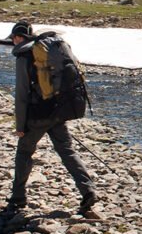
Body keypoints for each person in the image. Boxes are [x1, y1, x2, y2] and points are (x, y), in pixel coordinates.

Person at [6, 21, 99, 219]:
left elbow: (22, 94)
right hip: (57, 110)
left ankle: (17, 198)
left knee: (24, 152)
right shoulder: (49, 49)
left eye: (13, 38)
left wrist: (20, 125)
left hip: (38, 115)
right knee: (67, 151)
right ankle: (87, 189)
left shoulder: (23, 55)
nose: (13, 42)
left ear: (18, 37)